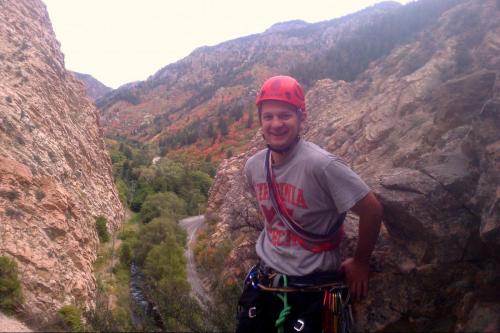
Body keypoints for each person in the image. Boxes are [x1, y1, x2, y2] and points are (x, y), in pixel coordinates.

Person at [236, 75, 383, 333]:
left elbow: (371, 209)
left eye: (285, 116)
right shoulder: (254, 167)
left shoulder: (322, 165)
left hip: (312, 288)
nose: (276, 124)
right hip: (265, 280)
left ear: (301, 119)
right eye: (268, 117)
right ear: (260, 122)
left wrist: (361, 261)